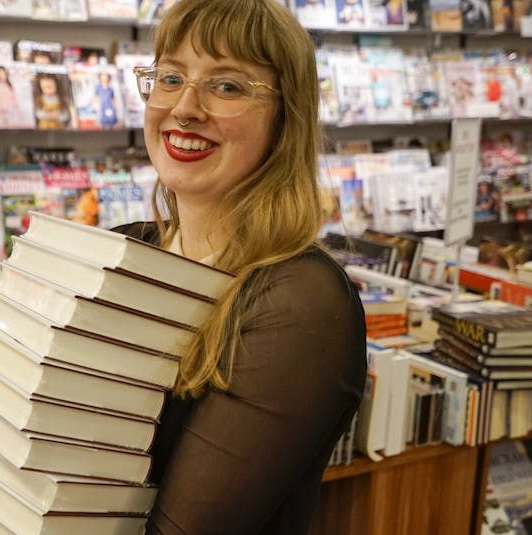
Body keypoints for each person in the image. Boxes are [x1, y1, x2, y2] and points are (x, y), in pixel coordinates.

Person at [118, 0, 366, 533]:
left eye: (226, 86)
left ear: (285, 117)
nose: (185, 107)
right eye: (170, 77)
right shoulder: (126, 251)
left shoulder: (302, 304)